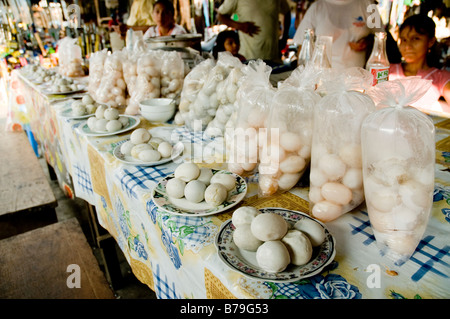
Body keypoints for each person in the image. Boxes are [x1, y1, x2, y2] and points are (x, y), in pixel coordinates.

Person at [293, 0, 384, 69]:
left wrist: (367, 42)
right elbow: (303, 44)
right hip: (323, 79)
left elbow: (382, 38)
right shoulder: (317, 7)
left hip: (356, 80)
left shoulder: (368, 5)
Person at [389, 14, 450, 112]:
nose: (407, 46)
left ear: (430, 41)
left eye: (415, 38)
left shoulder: (440, 78)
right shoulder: (387, 70)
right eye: (404, 40)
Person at [216, 0, 290, 63]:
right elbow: (220, 16)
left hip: (273, 58)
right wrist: (240, 26)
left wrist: (284, 37)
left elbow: (287, 12)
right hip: (249, 60)